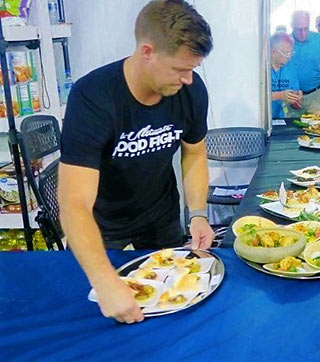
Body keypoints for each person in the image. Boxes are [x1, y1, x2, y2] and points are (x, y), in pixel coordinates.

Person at [58, 0, 215, 324]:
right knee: (106, 317)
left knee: (172, 311)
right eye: (179, 69)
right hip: (103, 226)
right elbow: (73, 203)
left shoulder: (191, 91)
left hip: (161, 216)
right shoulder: (93, 97)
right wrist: (104, 281)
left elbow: (195, 152)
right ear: (147, 52)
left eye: (193, 69)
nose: (188, 79)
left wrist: (198, 214)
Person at [286, 10, 320, 116]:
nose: (302, 33)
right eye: (298, 29)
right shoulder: (285, 42)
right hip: (291, 96)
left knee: (318, 129)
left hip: (316, 95)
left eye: (305, 28)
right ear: (291, 26)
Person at [270, 32, 302, 118]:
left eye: (291, 53)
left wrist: (296, 98)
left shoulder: (291, 67)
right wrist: (280, 95)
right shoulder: (261, 69)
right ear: (273, 53)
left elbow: (295, 91)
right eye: (286, 54)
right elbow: (255, 97)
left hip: (283, 117)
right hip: (263, 119)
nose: (289, 57)